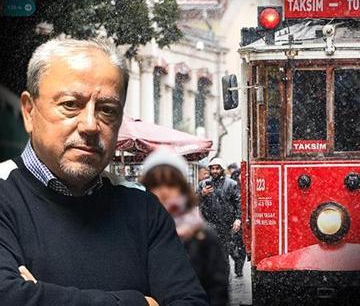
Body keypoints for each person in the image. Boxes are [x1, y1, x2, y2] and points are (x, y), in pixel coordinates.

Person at [0, 38, 208, 305]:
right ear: (29, 111)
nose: (90, 125)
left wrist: (39, 295)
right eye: (70, 104)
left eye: (107, 110)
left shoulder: (143, 207)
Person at [140, 147, 230, 306]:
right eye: (155, 184)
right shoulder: (138, 230)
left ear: (181, 186)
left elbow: (217, 290)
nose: (163, 191)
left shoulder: (201, 235)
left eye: (170, 183)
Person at [197, 157, 242, 279]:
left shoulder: (232, 184)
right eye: (212, 168)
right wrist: (202, 194)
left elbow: (239, 203)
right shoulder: (203, 184)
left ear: (222, 170)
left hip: (225, 226)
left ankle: (223, 281)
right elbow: (193, 201)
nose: (215, 171)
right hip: (207, 225)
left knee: (224, 255)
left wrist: (238, 219)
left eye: (217, 168)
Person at [226, 162, 246, 277]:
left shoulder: (245, 183)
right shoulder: (233, 182)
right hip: (231, 217)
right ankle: (237, 260)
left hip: (241, 217)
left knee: (241, 245)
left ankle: (239, 268)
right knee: (231, 245)